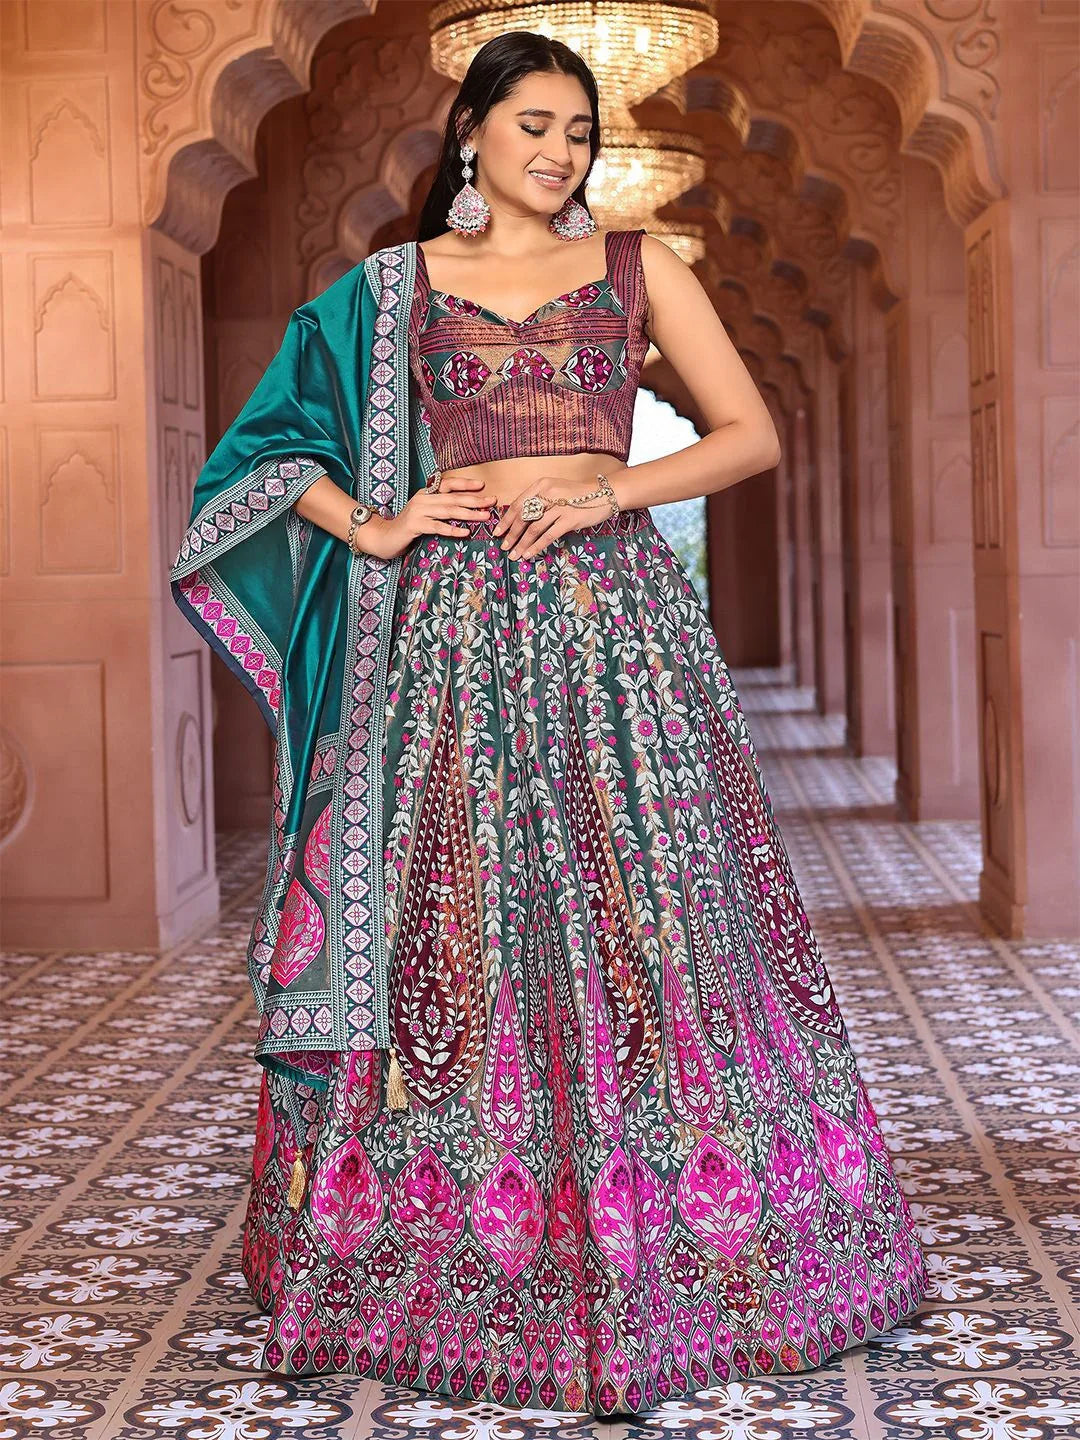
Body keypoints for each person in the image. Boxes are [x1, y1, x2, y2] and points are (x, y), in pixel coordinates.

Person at [169, 27, 928, 1420]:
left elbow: (748, 432)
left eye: (577, 129)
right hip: (447, 637)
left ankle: (691, 1232)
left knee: (653, 916)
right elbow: (269, 455)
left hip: (617, 631)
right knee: (456, 921)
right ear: (471, 135)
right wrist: (381, 523)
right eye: (533, 123)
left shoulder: (643, 270)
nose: (559, 150)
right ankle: (446, 1243)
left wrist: (609, 497)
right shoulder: (394, 290)